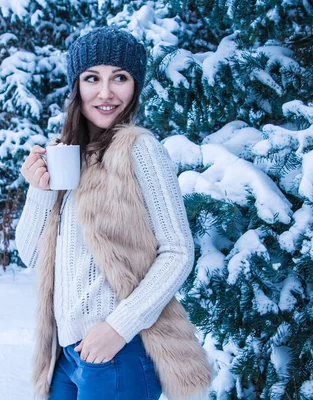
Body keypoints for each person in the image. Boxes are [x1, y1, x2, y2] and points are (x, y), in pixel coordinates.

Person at [15, 26, 211, 400]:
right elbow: (31, 256)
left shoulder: (140, 150)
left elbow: (179, 252)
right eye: (92, 78)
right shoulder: (65, 156)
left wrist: (118, 328)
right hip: (65, 356)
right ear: (77, 86)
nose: (105, 93)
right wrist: (39, 192)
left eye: (119, 78)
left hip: (119, 349)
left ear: (135, 86)